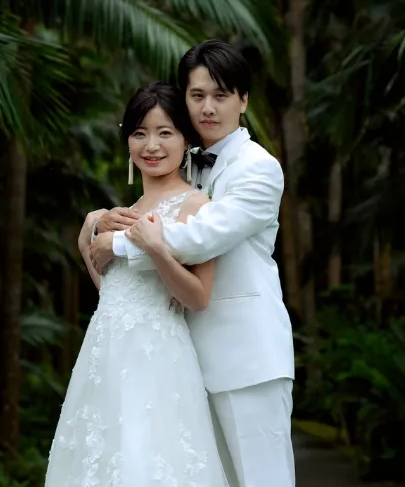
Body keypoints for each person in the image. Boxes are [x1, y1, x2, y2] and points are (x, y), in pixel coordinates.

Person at [90, 40, 296, 487]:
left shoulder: (258, 169)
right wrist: (97, 222)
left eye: (221, 95)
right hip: (183, 364)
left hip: (247, 361)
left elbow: (201, 237)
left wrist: (117, 243)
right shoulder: (188, 165)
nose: (208, 107)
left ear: (243, 100)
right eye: (197, 95)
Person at [46, 83, 229, 487]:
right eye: (140, 132)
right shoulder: (123, 213)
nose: (152, 145)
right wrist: (87, 235)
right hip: (104, 354)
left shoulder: (195, 205)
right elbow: (109, 291)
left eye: (165, 133)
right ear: (127, 139)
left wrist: (156, 249)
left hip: (159, 356)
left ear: (186, 140)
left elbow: (198, 297)